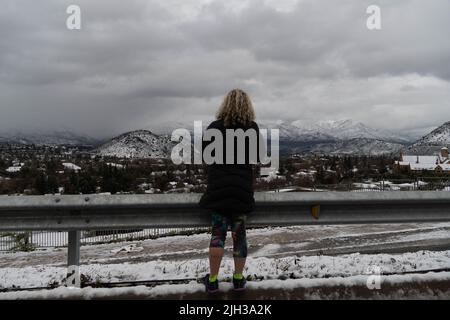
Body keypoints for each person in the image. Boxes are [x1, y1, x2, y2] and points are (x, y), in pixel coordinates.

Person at [199, 89, 261, 293]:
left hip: (218, 188)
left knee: (217, 235)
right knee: (239, 236)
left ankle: (214, 280)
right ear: (247, 106)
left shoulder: (215, 127)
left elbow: (207, 156)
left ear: (224, 104)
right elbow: (257, 156)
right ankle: (238, 278)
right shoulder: (251, 129)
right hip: (242, 188)